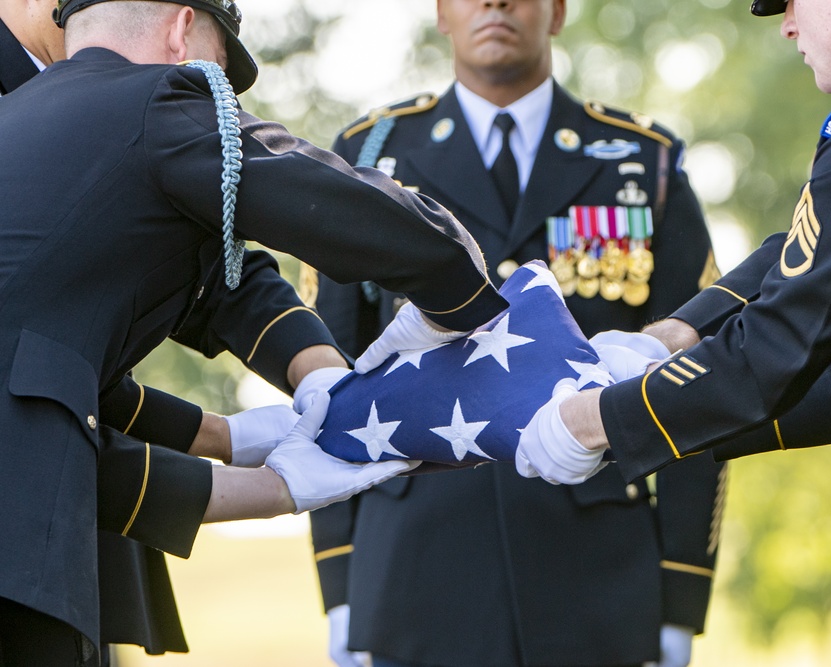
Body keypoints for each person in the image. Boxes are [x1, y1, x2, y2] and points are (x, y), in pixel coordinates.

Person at [0, 0, 508, 663]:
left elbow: (48, 380)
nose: (223, 98)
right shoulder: (157, 97)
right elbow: (364, 217)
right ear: (183, 33)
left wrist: (240, 430)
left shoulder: (25, 124)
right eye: (220, 67)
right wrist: (475, 310)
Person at [513, 0, 831, 662]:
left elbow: (776, 349)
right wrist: (673, 340)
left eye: (793, 3)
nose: (788, 26)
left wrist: (596, 421)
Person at [306, 1, 725, 665]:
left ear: (557, 12)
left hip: (599, 585)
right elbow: (325, 379)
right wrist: (339, 586)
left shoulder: (644, 163)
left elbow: (699, 380)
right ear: (441, 11)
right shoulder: (370, 156)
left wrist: (680, 594)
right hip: (413, 579)